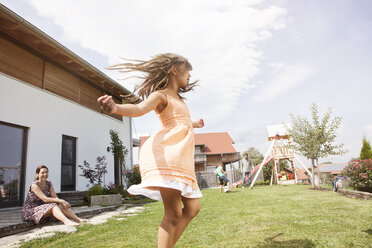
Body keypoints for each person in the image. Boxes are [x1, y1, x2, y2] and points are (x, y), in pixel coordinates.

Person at [97, 53, 204, 248]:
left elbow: (180, 121)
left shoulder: (179, 100)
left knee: (193, 207)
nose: (189, 76)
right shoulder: (160, 95)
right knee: (173, 214)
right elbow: (139, 109)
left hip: (181, 158)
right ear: (175, 70)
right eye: (188, 71)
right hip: (168, 155)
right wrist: (115, 108)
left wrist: (194, 123)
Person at [21, 165, 88, 225]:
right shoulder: (34, 185)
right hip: (31, 211)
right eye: (42, 172)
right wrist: (61, 200)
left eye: (46, 172)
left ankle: (78, 220)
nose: (45, 174)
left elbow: (55, 197)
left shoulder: (49, 184)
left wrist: (62, 203)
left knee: (60, 205)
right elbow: (45, 199)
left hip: (43, 209)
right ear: (37, 174)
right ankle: (67, 222)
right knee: (53, 205)